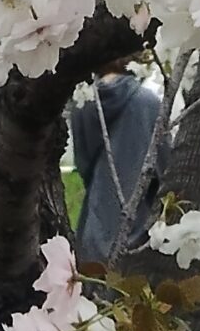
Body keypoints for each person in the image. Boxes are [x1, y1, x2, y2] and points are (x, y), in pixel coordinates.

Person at [68, 71, 162, 264]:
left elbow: (82, 161)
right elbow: (165, 168)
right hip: (140, 229)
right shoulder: (147, 103)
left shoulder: (82, 103)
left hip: (93, 226)